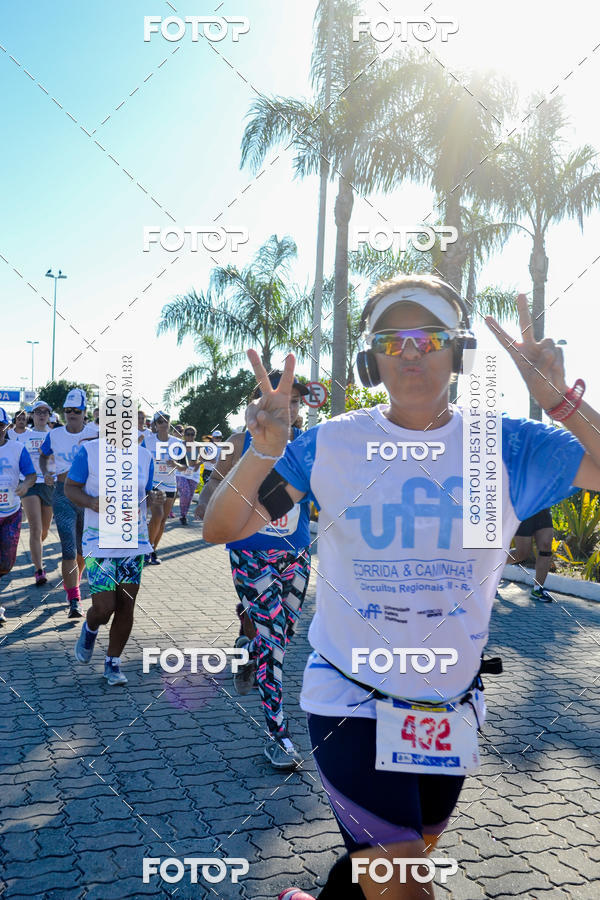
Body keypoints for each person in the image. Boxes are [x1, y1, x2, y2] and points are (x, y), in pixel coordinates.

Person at [204, 274, 600, 900]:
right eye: (393, 339)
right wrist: (261, 451)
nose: (411, 351)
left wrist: (562, 403)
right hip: (350, 701)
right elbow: (224, 524)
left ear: (460, 352)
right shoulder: (329, 448)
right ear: (371, 360)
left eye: (430, 336)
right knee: (403, 879)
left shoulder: (508, 446)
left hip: (449, 709)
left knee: (389, 861)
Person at [198, 372, 312, 770]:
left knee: (283, 635)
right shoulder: (238, 441)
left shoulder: (308, 445)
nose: (291, 407)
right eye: (284, 399)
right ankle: (277, 736)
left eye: (297, 401)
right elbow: (212, 486)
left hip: (296, 555)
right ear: (261, 401)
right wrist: (207, 506)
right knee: (274, 643)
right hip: (250, 555)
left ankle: (247, 650)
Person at [66, 433, 154, 685]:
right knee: (104, 608)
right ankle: (90, 627)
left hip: (132, 542)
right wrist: (91, 502)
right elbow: (70, 488)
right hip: (99, 541)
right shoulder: (90, 451)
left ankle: (112, 663)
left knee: (126, 604)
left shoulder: (144, 455)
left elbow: (145, 494)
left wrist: (155, 501)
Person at [39, 388, 98, 617]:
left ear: (84, 412)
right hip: (63, 494)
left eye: (76, 410)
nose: (71, 414)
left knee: (83, 550)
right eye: (67, 410)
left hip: (88, 496)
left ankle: (73, 584)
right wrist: (46, 472)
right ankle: (74, 600)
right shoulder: (54, 435)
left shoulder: (96, 433)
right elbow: (44, 455)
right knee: (68, 548)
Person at [0, 407, 36, 624]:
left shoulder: (17, 449)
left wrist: (25, 485)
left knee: (6, 562)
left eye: (0, 426)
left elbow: (31, 474)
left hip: (11, 513)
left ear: (7, 427)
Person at [143, 411, 186, 564]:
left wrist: (175, 464)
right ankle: (146, 549)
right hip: (154, 483)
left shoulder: (177, 443)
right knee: (157, 515)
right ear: (155, 424)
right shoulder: (147, 441)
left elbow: (183, 467)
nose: (163, 423)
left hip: (170, 485)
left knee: (162, 521)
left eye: (166, 420)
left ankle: (152, 550)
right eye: (160, 421)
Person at [20, 400, 54, 585]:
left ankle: (37, 550)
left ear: (49, 415)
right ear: (32, 415)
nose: (42, 414)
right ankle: (39, 570)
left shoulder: (55, 435)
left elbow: (60, 460)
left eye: (45, 412)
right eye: (38, 411)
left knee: (45, 530)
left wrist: (53, 475)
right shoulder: (25, 436)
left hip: (49, 484)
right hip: (30, 482)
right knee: (36, 528)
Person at [505, 508, 555, 602]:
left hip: (543, 507)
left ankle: (538, 589)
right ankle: (490, 567)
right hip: (525, 508)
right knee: (522, 554)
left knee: (546, 546)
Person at [176, 426, 202, 525]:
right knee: (185, 493)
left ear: (195, 435)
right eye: (188, 434)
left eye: (192, 434)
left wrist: (198, 464)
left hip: (193, 474)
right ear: (184, 435)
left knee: (189, 496)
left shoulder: (198, 446)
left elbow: (207, 457)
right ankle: (182, 515)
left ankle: (184, 515)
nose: (190, 436)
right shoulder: (179, 446)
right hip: (181, 473)